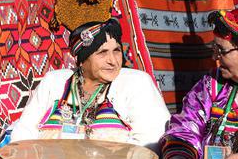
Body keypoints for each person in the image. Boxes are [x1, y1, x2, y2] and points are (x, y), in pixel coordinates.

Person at [10, 18, 169, 147]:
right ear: (81, 61)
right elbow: (24, 131)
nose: (113, 61)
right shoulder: (54, 82)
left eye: (117, 51)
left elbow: (150, 142)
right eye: (102, 53)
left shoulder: (136, 83)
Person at [162, 8, 238, 159]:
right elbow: (186, 126)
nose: (215, 58)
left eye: (221, 51)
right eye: (214, 50)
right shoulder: (213, 85)